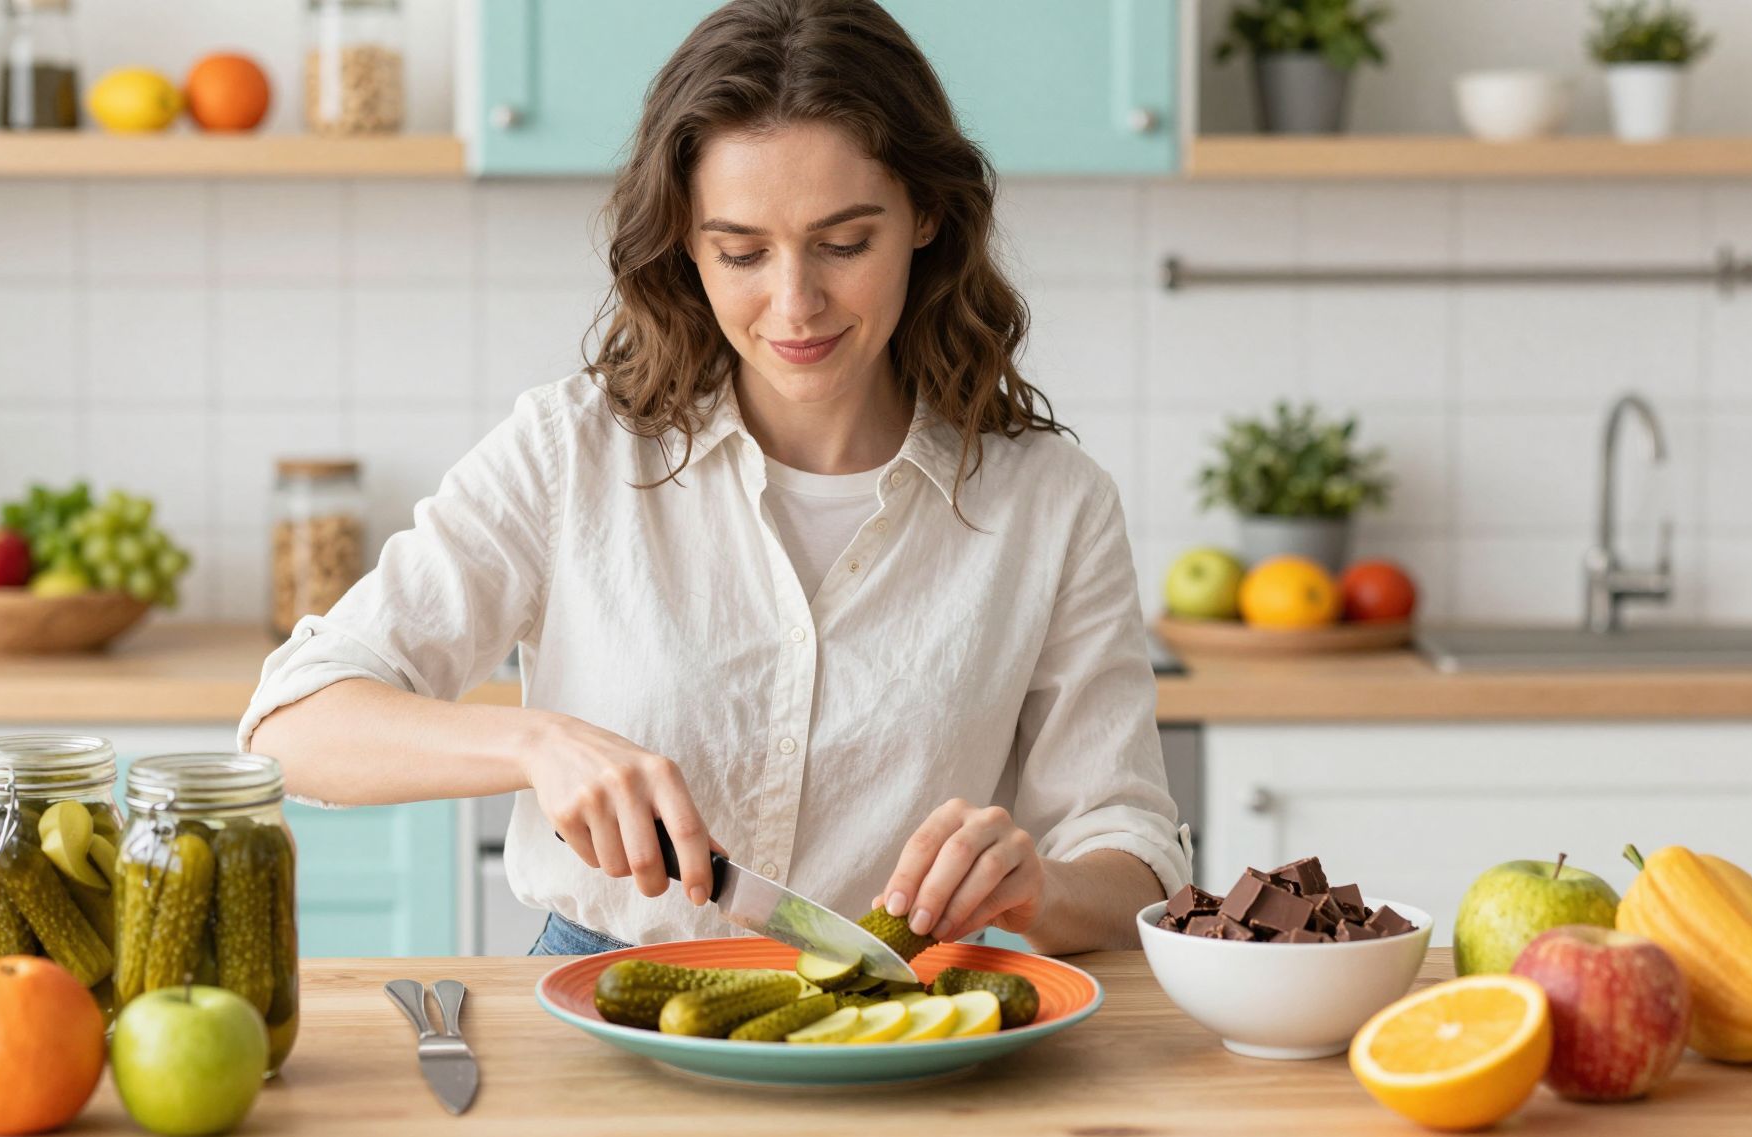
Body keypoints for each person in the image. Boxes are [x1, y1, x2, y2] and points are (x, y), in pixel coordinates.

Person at [243, 0, 1186, 958]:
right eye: (741, 252)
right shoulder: (572, 450)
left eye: (845, 244)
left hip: (895, 1007)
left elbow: (1136, 861)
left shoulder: (1053, 503)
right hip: (599, 985)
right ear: (687, 245)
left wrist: (1039, 889)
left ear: (926, 216)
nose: (795, 302)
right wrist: (538, 744)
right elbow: (294, 720)